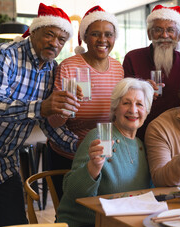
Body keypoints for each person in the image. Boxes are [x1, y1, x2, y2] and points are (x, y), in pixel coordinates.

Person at [0, 3, 79, 227]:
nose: (55, 43)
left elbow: (47, 123)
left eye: (62, 39)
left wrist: (80, 146)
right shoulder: (5, 54)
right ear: (34, 31)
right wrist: (40, 107)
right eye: (50, 34)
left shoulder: (52, 69)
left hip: (4, 161)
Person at [57, 78, 154, 227]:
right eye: (126, 103)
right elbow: (71, 191)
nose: (133, 110)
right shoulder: (99, 138)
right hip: (86, 226)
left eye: (139, 104)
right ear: (115, 108)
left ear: (147, 111)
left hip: (123, 225)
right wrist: (93, 167)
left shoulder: (141, 145)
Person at [47, 5, 124, 200]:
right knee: (68, 214)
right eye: (95, 34)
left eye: (108, 34)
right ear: (85, 37)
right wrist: (65, 108)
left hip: (105, 155)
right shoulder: (69, 66)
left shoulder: (118, 68)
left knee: (100, 212)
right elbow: (54, 122)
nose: (103, 40)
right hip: (68, 155)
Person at [123, 4, 180, 140]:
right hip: (138, 132)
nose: (164, 35)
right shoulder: (132, 58)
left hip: (175, 132)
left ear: (179, 36)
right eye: (158, 29)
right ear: (149, 34)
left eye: (170, 30)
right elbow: (122, 97)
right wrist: (140, 89)